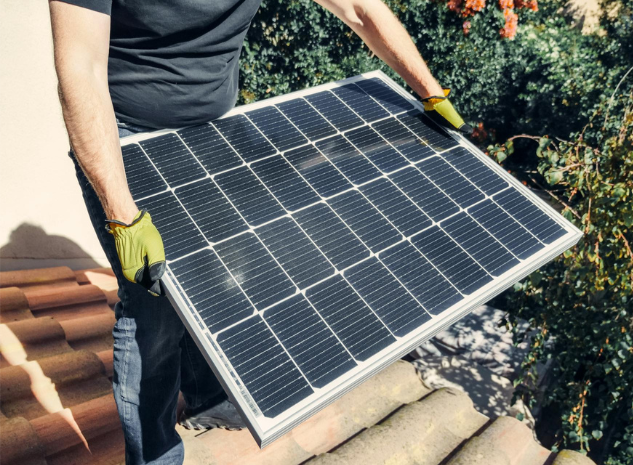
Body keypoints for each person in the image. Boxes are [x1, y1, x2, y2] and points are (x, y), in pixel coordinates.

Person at [48, 0, 468, 463]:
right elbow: (79, 69)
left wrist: (430, 90)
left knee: (209, 278)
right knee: (152, 312)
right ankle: (155, 456)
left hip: (215, 130)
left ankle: (205, 398)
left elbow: (359, 9)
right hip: (125, 134)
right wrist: (122, 214)